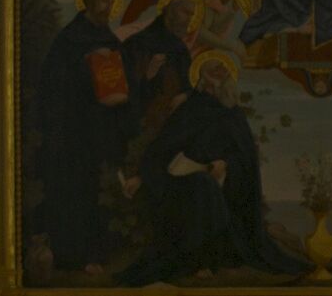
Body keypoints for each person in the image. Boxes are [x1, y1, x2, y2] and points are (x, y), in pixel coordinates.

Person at [120, 51, 295, 283]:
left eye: (222, 72)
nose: (217, 77)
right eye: (212, 71)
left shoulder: (232, 114)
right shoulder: (189, 108)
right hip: (181, 183)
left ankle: (209, 258)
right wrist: (140, 178)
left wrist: (226, 164)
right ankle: (198, 260)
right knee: (202, 187)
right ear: (201, 76)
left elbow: (244, 159)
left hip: (222, 184)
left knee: (206, 186)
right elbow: (163, 147)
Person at [25, 0, 137, 272]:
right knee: (68, 191)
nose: (107, 8)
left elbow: (121, 79)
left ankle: (93, 254)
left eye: (111, 3)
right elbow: (54, 84)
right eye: (102, 2)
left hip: (97, 131)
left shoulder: (110, 39)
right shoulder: (69, 39)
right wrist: (86, 64)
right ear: (87, 3)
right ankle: (67, 254)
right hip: (70, 131)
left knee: (93, 191)